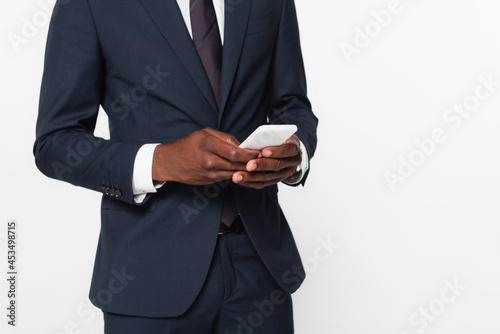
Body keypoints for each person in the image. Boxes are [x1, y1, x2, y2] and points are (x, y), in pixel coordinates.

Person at [34, 0, 318, 332]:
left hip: (260, 269)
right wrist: (162, 161)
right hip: (147, 277)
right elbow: (55, 143)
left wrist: (295, 152)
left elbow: (293, 104)